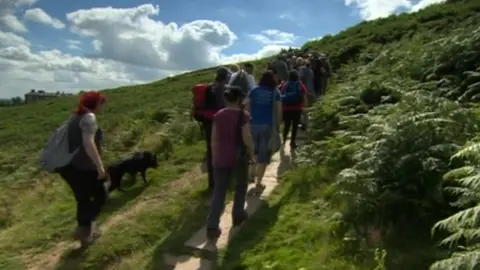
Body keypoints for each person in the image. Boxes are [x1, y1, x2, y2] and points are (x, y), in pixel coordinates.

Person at [58, 90, 108, 248]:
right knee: (101, 194)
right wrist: (99, 167)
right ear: (95, 103)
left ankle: (85, 234)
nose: (102, 106)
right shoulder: (89, 117)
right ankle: (85, 229)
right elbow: (88, 143)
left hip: (69, 167)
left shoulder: (74, 117)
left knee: (83, 199)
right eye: (101, 103)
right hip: (84, 167)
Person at [206, 87, 255, 239]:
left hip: (220, 157)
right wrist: (252, 153)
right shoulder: (243, 115)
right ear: (239, 99)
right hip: (239, 157)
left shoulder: (219, 115)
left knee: (219, 191)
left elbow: (213, 139)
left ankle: (212, 227)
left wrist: (214, 158)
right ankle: (238, 215)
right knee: (241, 186)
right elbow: (246, 136)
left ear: (226, 99)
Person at [244, 71, 282, 191]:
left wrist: (246, 123)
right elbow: (278, 110)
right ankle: (258, 183)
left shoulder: (253, 91)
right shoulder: (275, 92)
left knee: (253, 150)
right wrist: (277, 126)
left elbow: (247, 107)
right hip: (267, 125)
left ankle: (252, 171)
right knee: (264, 154)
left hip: (253, 124)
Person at [201, 67, 231, 191]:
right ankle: (222, 181)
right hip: (220, 123)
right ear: (225, 77)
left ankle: (212, 182)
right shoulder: (225, 89)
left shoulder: (208, 87)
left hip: (208, 123)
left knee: (211, 151)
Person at [280, 70, 307, 148]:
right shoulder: (300, 85)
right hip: (297, 108)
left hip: (286, 108)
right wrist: (304, 106)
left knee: (287, 125)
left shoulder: (285, 85)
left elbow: (281, 96)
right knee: (295, 126)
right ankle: (292, 142)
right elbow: (304, 95)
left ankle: (284, 141)